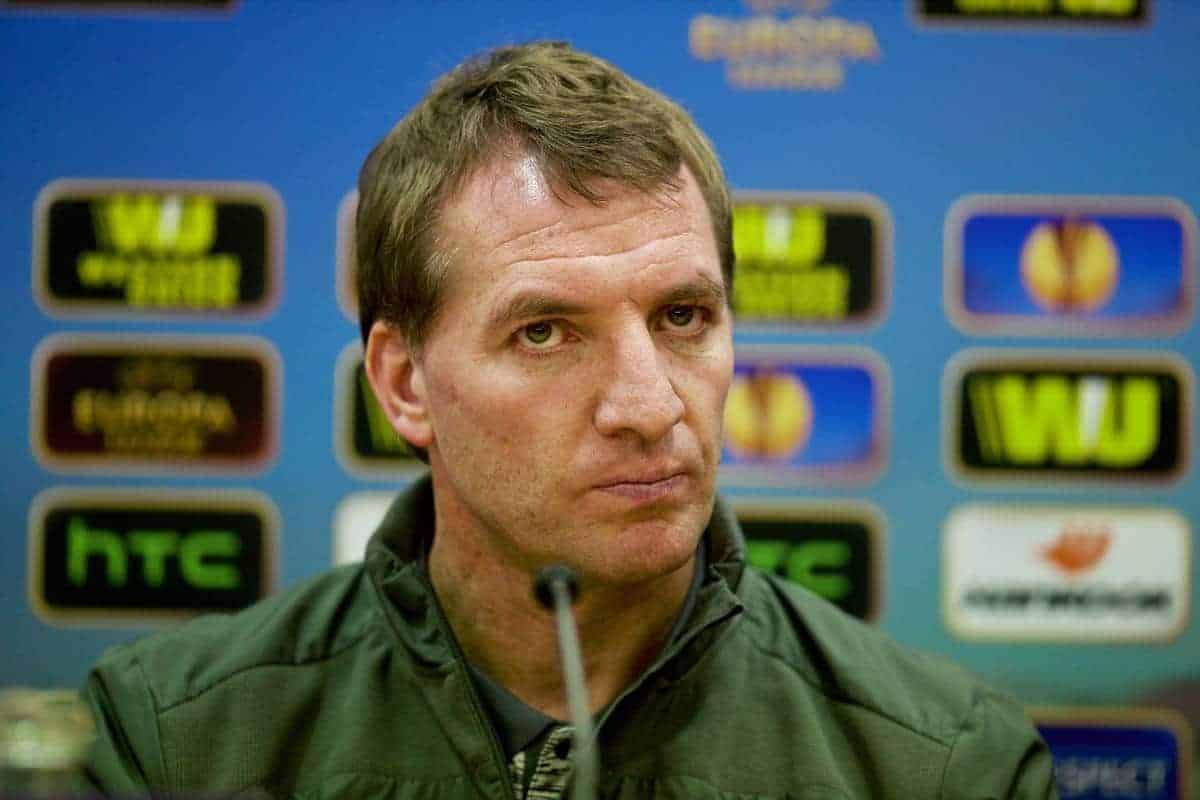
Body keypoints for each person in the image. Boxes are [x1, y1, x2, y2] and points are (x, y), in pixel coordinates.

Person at [82, 42, 1057, 799]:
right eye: (545, 332)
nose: (648, 405)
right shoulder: (169, 740)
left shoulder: (943, 762)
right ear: (404, 382)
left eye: (683, 317)